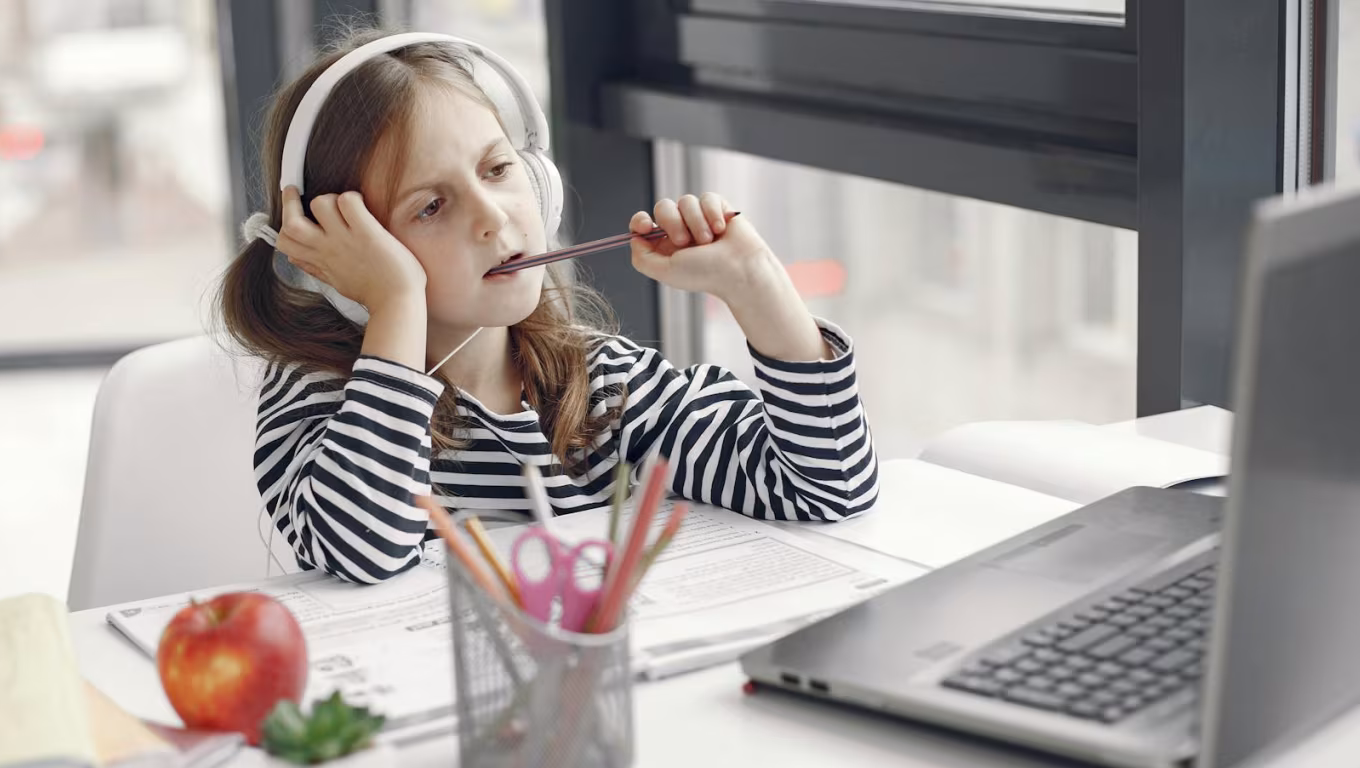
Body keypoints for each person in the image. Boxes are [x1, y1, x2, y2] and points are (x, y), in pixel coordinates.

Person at [216, 27, 877, 584]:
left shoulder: (601, 386)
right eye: (432, 205)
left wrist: (756, 284)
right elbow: (361, 552)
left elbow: (829, 487)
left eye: (499, 169)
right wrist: (395, 303)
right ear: (346, 252)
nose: (492, 217)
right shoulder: (323, 399)